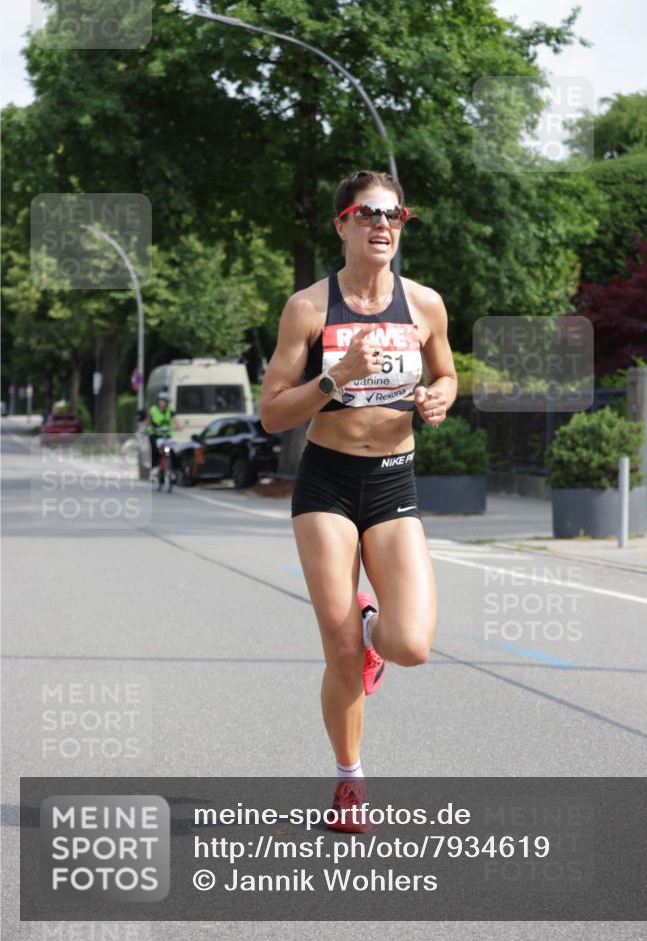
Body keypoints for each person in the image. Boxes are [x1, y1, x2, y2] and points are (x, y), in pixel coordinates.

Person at [260, 170, 457, 832]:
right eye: (367, 213)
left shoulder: (424, 304)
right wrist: (334, 378)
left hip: (394, 479)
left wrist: (439, 397)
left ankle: (373, 630)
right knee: (339, 650)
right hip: (327, 484)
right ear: (341, 224)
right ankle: (350, 780)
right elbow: (272, 414)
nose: (382, 224)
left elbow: (447, 373)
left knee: (411, 645)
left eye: (393, 214)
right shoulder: (308, 308)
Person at [146, 391, 179, 476]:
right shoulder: (152, 410)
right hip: (155, 434)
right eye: (161, 400)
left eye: (164, 401)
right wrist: (150, 428)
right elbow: (148, 423)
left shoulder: (169, 411)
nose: (162, 403)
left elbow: (176, 421)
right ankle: (154, 467)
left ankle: (175, 470)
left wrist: (178, 427)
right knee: (154, 449)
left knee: (173, 451)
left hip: (166, 435)